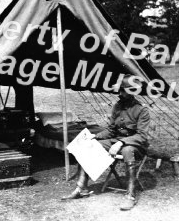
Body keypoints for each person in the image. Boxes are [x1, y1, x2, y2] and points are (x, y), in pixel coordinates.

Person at [61, 76, 151, 211]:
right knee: (87, 145)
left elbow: (142, 136)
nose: (120, 94)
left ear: (132, 92)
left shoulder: (141, 110)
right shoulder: (118, 107)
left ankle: (130, 196)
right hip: (117, 141)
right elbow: (111, 130)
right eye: (119, 90)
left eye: (123, 91)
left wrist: (120, 143)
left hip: (136, 145)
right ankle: (82, 188)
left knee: (127, 150)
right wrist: (95, 136)